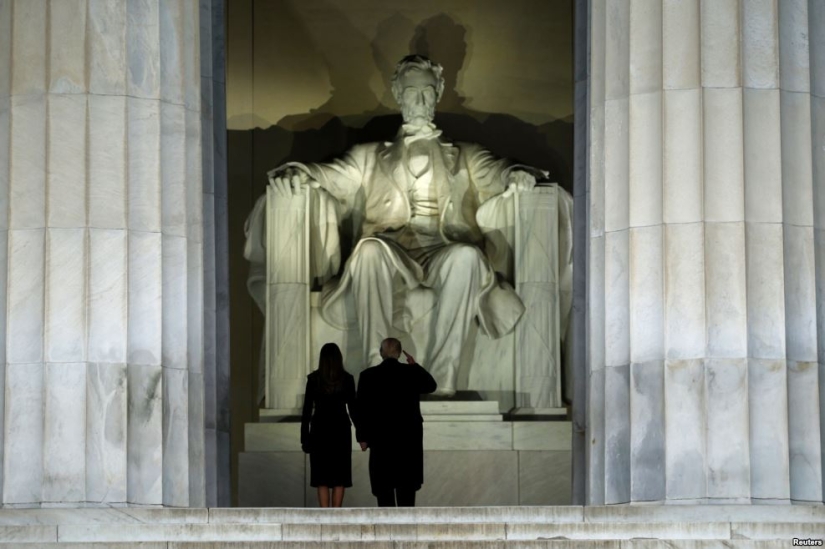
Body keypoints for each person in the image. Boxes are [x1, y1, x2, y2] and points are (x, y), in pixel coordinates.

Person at [261, 54, 564, 397]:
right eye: (411, 92)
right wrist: (299, 172)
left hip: (442, 248)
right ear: (397, 93)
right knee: (368, 251)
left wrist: (516, 175)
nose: (419, 101)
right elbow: (330, 176)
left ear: (438, 93)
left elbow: (497, 172)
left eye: (427, 92)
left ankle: (442, 378)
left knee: (467, 257)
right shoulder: (368, 155)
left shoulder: (464, 153)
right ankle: (378, 373)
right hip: (390, 248)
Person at [355, 337, 437, 507]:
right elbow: (431, 386)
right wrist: (414, 365)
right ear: (399, 353)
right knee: (406, 494)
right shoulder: (411, 372)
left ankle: (386, 531)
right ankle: (406, 531)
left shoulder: (368, 375)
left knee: (384, 493)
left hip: (381, 441)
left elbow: (361, 410)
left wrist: (362, 437)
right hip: (408, 441)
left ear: (380, 353)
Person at [300, 343, 358, 507]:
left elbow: (306, 412)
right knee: (340, 477)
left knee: (322, 477)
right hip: (340, 430)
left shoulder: (313, 379)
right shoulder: (347, 379)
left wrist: (304, 438)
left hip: (319, 430)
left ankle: (325, 514)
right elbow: (354, 410)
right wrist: (362, 435)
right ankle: (336, 514)